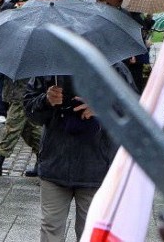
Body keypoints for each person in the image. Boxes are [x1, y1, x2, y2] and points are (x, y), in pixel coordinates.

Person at [24, 65, 135, 242]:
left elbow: (132, 108)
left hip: (97, 165)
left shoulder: (113, 65)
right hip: (55, 162)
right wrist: (46, 100)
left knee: (90, 231)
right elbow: (30, 110)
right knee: (51, 227)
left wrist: (102, 108)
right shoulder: (49, 64)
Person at [0, 78, 41, 177]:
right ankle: (42, 159)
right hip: (17, 93)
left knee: (12, 127)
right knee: (29, 130)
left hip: (23, 95)